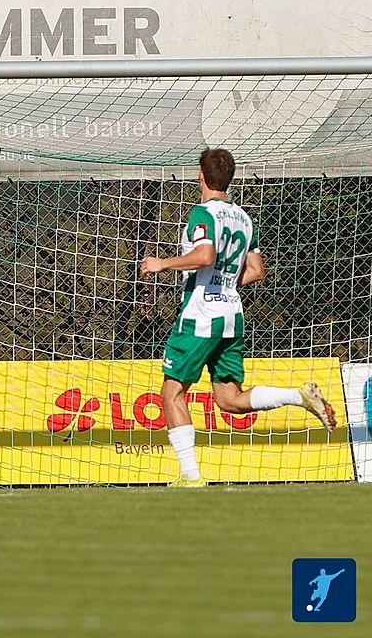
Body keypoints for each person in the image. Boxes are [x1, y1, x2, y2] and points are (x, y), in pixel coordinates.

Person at [140, 148, 336, 488]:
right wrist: (226, 282)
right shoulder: (245, 219)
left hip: (201, 315)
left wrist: (163, 263)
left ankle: (190, 476)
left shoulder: (201, 213)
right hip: (232, 314)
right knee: (230, 400)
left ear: (200, 175)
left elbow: (204, 255)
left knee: (171, 392)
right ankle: (297, 395)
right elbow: (257, 270)